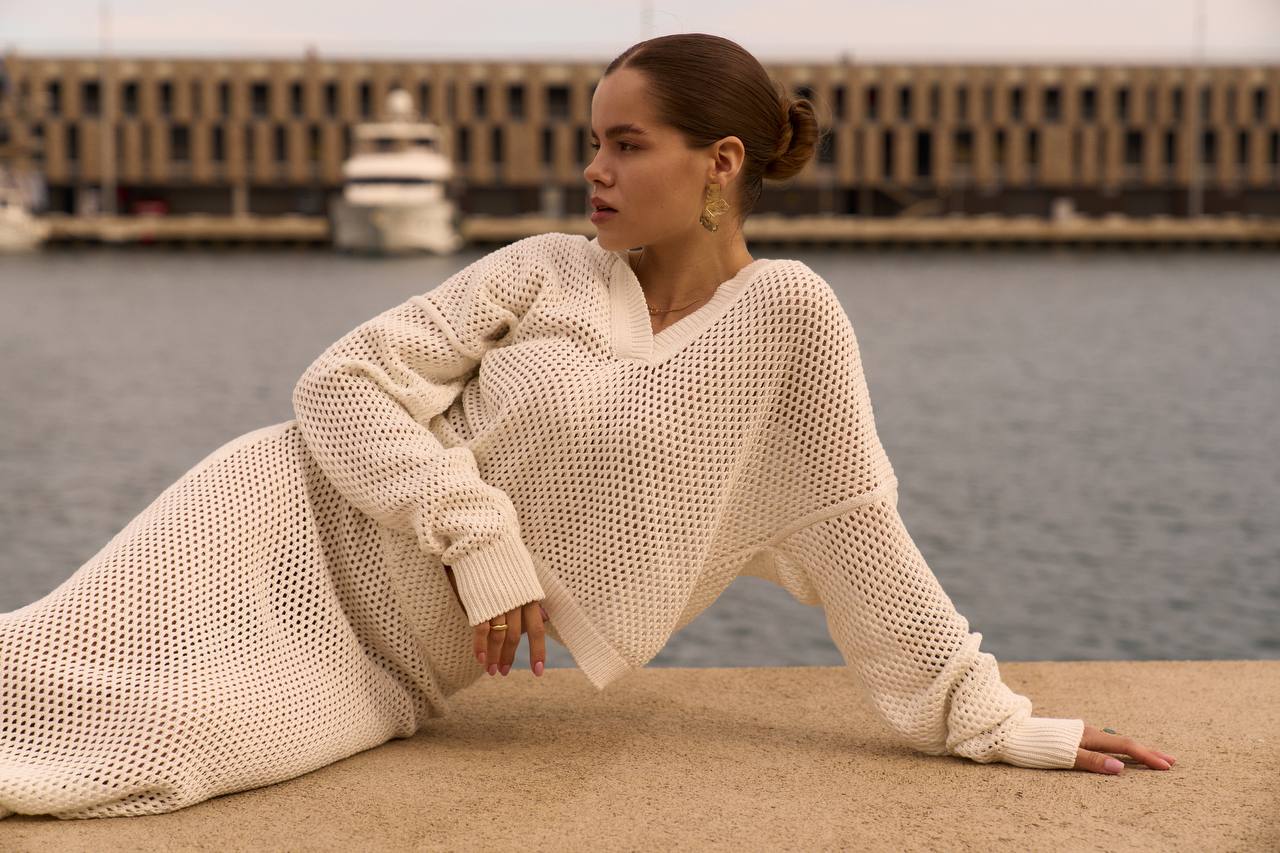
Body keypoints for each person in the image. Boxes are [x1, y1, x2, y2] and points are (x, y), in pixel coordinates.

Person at [0, 33, 1174, 822]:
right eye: (590, 142)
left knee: (140, 759)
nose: (592, 171)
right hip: (268, 523)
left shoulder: (785, 319)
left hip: (384, 672)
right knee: (30, 675)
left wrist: (993, 721)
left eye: (625, 145)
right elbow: (342, 383)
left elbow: (856, 534)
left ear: (717, 165)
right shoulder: (546, 269)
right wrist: (475, 533)